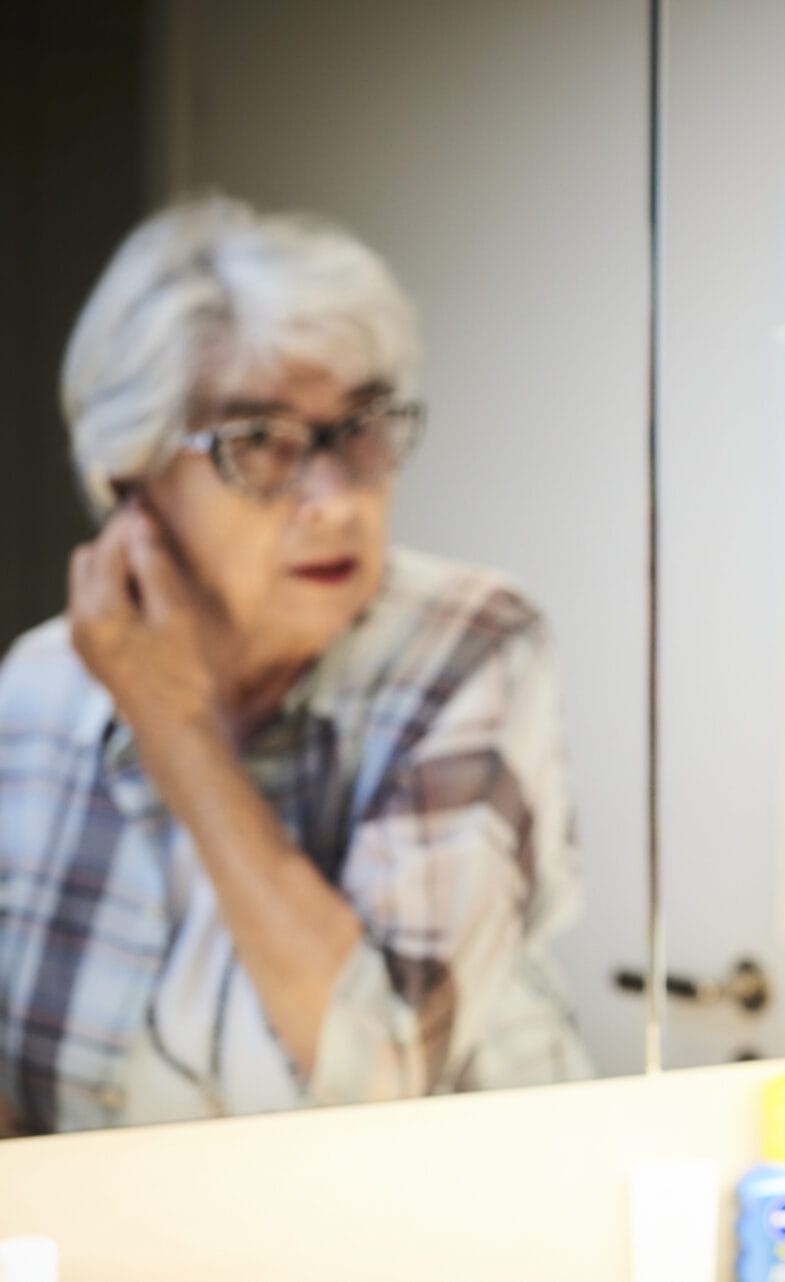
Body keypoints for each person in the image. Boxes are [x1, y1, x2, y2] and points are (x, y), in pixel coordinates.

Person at [0, 196, 590, 1135]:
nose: (337, 498)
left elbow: (388, 1064)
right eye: (260, 445)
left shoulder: (465, 645)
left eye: (362, 426)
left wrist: (177, 730)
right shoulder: (35, 692)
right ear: (129, 483)